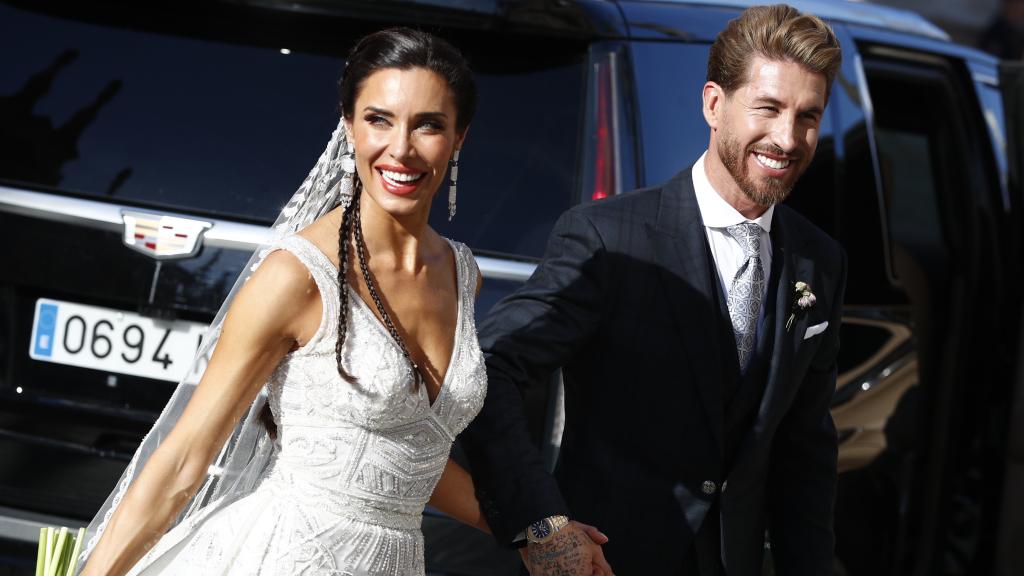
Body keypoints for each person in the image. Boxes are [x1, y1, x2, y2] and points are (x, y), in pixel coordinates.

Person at [78, 28, 493, 576]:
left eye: (429, 125)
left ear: (459, 137)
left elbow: (409, 458)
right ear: (348, 127)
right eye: (379, 119)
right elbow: (183, 460)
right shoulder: (298, 274)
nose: (401, 149)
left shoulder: (463, 275)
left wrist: (540, 526)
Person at [460, 5, 847, 575]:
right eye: (768, 108)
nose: (788, 138)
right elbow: (488, 370)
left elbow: (805, 448)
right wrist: (541, 525)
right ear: (714, 104)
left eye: (808, 116)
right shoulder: (608, 236)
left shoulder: (821, 261)